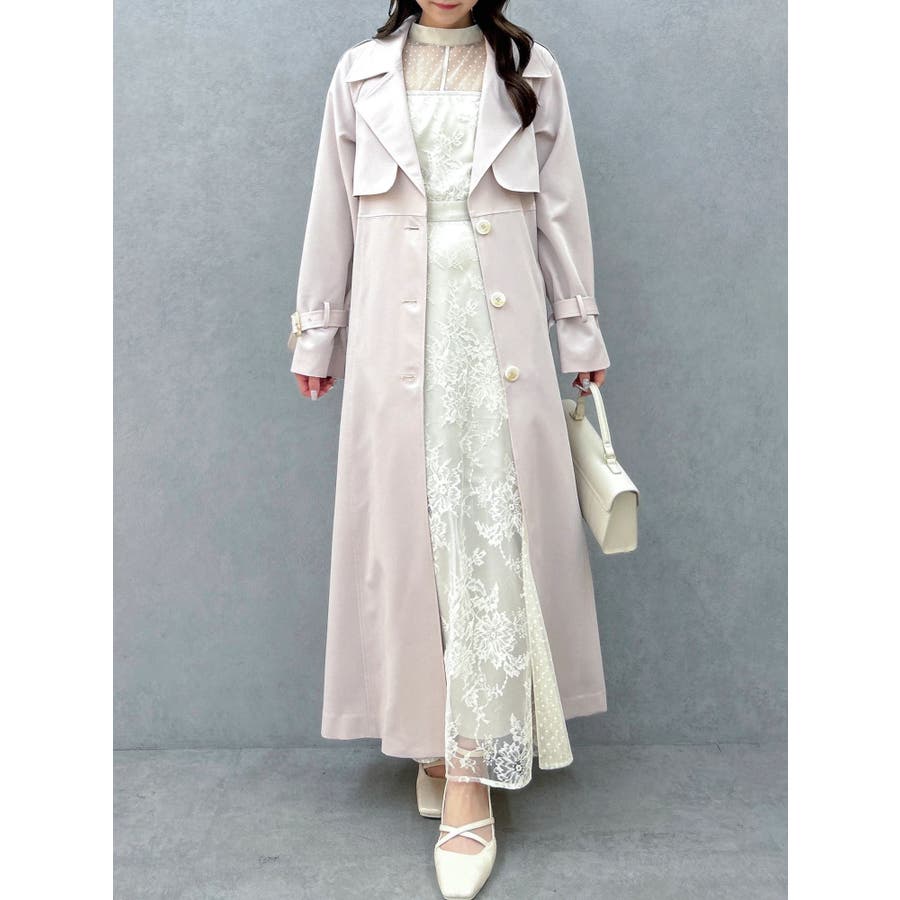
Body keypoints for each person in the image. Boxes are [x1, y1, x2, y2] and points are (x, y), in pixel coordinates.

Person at [289, 2, 611, 897]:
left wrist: (579, 329)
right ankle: (436, 738)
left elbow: (560, 208)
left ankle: (469, 775)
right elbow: (331, 208)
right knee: (412, 542)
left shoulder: (531, 69)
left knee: (488, 539)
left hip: (495, 336)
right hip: (396, 338)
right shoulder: (360, 73)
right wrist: (319, 331)